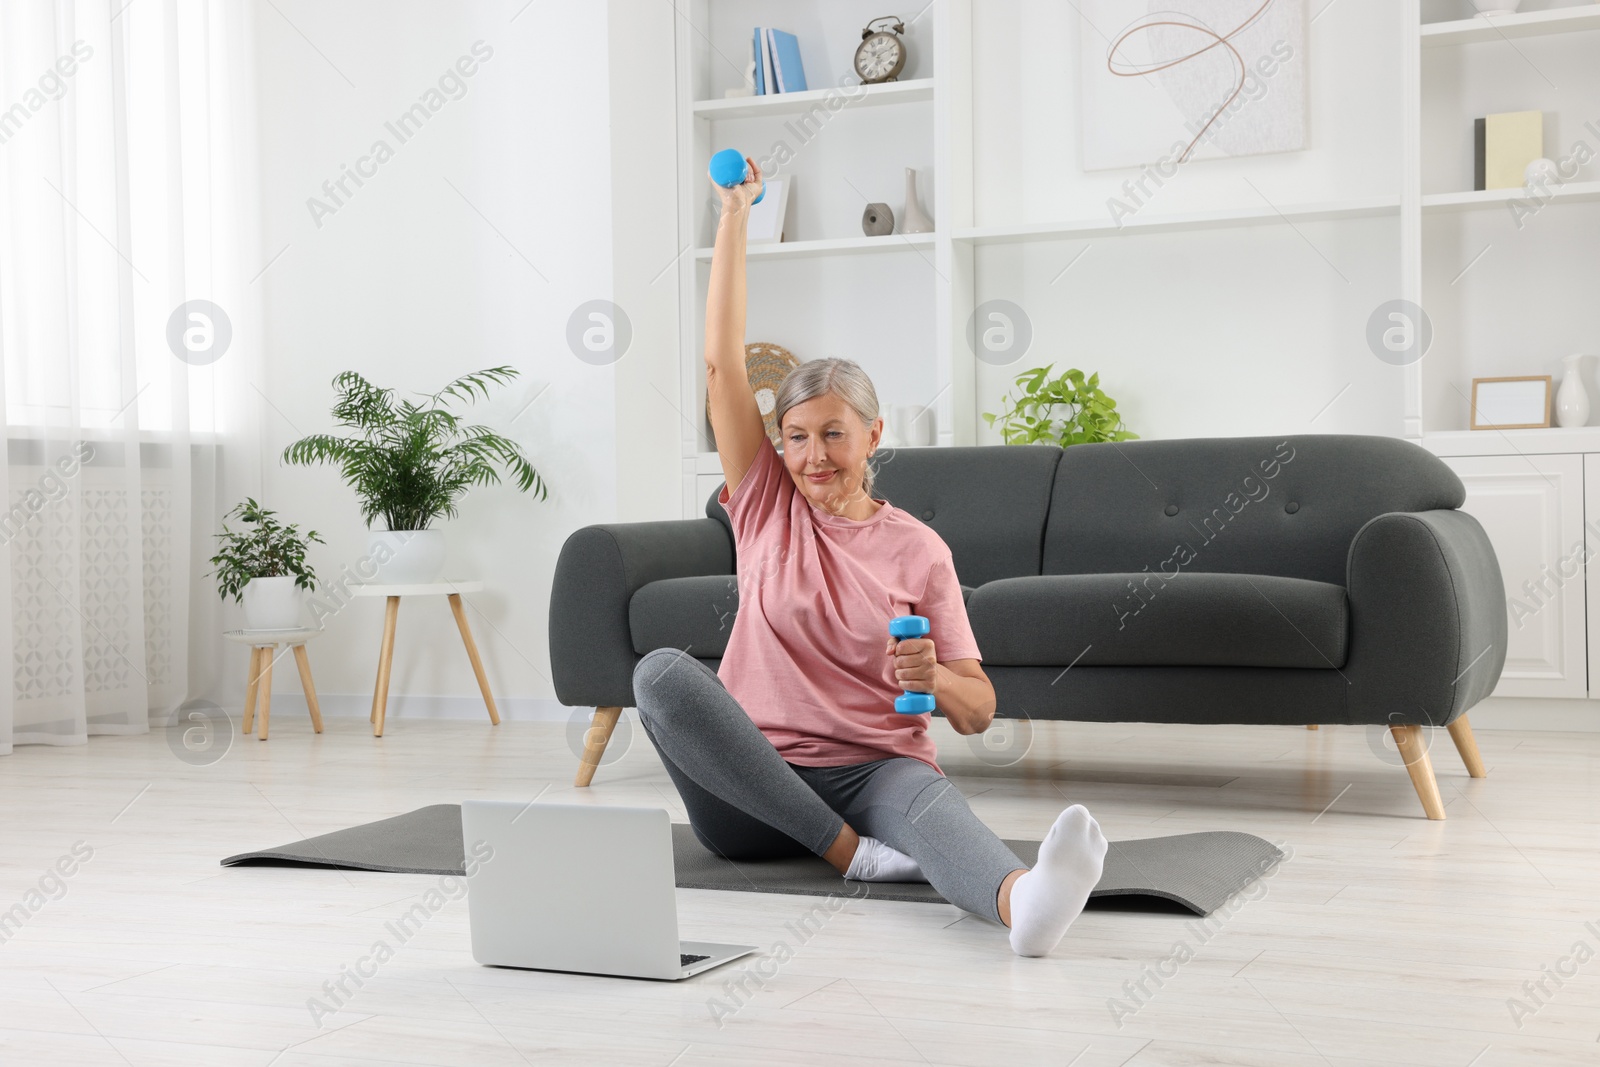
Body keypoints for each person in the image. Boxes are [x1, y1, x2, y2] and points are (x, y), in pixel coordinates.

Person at [631, 156, 1107, 957]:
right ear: (777, 445)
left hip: (876, 770)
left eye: (833, 435)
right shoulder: (765, 504)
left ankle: (1025, 900)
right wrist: (736, 214)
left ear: (873, 435)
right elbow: (721, 366)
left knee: (934, 810)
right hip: (754, 786)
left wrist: (935, 677)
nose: (814, 457)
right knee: (659, 676)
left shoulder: (919, 548)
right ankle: (850, 857)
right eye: (796, 437)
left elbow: (979, 709)